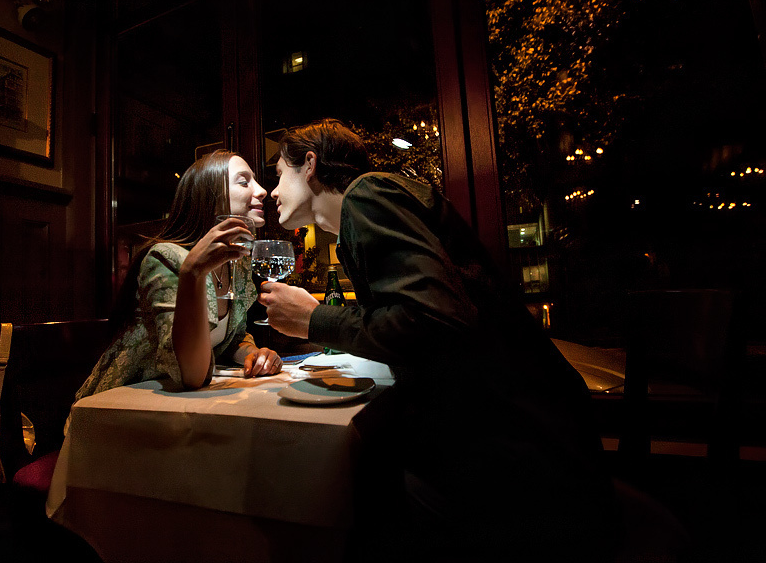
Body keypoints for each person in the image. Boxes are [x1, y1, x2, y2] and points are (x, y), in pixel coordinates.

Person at [259, 119, 621, 561]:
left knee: (342, 501)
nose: (272, 191)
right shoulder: (378, 200)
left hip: (519, 459)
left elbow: (433, 318)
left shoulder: (368, 194)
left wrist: (316, 319)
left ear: (310, 164)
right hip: (534, 434)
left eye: (279, 173)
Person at [76, 150, 283, 400]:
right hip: (125, 404)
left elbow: (233, 336)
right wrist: (192, 273)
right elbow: (192, 376)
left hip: (185, 404)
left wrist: (252, 352)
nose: (262, 191)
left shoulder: (236, 264)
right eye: (244, 181)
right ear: (209, 195)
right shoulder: (166, 258)